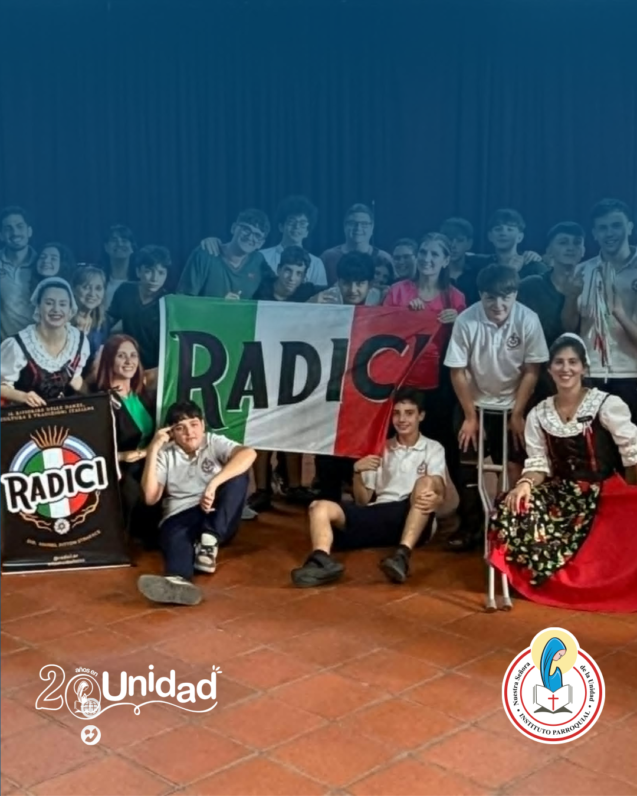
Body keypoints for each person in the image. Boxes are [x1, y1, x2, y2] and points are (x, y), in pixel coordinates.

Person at [489, 334, 637, 612]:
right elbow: (538, 465)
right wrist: (524, 483)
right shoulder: (539, 413)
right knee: (511, 505)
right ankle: (535, 579)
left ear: (583, 367)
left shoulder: (606, 404)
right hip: (561, 493)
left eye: (572, 362)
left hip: (603, 489)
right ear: (549, 369)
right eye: (559, 362)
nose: (565, 368)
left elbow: (632, 451)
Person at [291, 388, 447, 587]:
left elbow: (439, 486)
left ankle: (402, 555)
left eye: (409, 413)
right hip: (380, 512)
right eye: (396, 413)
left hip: (412, 514)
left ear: (421, 416)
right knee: (318, 507)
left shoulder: (433, 448)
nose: (402, 419)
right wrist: (357, 472)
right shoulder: (380, 448)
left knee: (425, 482)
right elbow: (363, 500)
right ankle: (321, 561)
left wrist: (437, 496)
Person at [444, 265, 549, 551]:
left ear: (515, 294)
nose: (498, 304)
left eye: (506, 297)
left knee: (515, 463)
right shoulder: (467, 320)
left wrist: (518, 413)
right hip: (475, 399)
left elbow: (532, 370)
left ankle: (511, 524)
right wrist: (469, 416)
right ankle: (471, 526)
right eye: (490, 297)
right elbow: (457, 371)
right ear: (481, 295)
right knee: (467, 464)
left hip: (514, 400)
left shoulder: (528, 319)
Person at [137, 400, 256, 605]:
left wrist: (213, 484)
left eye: (194, 424)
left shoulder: (213, 442)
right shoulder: (166, 453)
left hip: (216, 514)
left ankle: (209, 541)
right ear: (171, 433)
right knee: (176, 537)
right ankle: (178, 581)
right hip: (180, 515)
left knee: (239, 474)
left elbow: (249, 453)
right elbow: (150, 497)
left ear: (202, 425)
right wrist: (153, 449)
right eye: (180, 428)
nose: (189, 432)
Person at [564, 198, 637, 422]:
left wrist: (619, 312)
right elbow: (569, 328)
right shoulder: (582, 271)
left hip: (632, 374)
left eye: (616, 225)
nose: (610, 233)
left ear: (630, 227)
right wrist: (571, 297)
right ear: (595, 234)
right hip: (591, 372)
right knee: (592, 443)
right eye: (603, 228)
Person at [95, 334, 159, 544]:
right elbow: (94, 450)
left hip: (151, 459)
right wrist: (123, 456)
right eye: (121, 355)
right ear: (109, 360)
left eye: (133, 355)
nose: (129, 361)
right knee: (132, 490)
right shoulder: (101, 400)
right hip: (122, 467)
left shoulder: (143, 393)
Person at [518, 223, 586, 404]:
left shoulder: (593, 284)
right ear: (549, 250)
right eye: (563, 242)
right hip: (536, 373)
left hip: (579, 372)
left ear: (583, 250)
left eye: (577, 242)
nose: (570, 247)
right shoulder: (530, 286)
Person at [0, 277, 90, 406]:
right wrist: (23, 396)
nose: (56, 309)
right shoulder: (18, 345)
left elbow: (75, 378)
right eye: (49, 303)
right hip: (25, 414)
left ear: (70, 309)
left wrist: (97, 398)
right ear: (38, 306)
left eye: (63, 304)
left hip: (62, 413)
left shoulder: (79, 341)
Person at [177, 208, 270, 300]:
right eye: (246, 229)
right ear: (233, 228)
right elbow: (183, 300)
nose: (250, 237)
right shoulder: (205, 254)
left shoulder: (258, 261)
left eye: (257, 235)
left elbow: (276, 289)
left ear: (261, 243)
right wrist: (221, 305)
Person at [109, 245, 171, 371]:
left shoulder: (168, 302)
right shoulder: (125, 290)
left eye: (161, 273)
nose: (155, 278)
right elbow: (110, 321)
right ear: (138, 271)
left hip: (155, 367)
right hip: (126, 362)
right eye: (149, 271)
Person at [320, 203, 392, 286]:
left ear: (372, 227)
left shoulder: (384, 258)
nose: (358, 228)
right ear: (344, 226)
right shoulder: (328, 258)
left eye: (364, 224)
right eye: (352, 223)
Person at [0, 206, 37, 341]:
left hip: (37, 344)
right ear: (1, 235)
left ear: (29, 231)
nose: (15, 232)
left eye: (20, 226)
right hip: (5, 345)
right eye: (8, 228)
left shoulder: (43, 264)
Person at [485, 209, 547, 278]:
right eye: (498, 229)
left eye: (510, 229)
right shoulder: (481, 265)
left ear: (520, 237)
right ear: (490, 236)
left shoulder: (534, 267)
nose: (503, 233)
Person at [310, 250, 381, 306]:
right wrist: (311, 304)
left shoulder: (381, 299)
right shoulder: (326, 299)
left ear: (370, 284)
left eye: (359, 284)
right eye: (346, 283)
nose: (352, 290)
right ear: (338, 282)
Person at [253, 245, 319, 302]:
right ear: (279, 269)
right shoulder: (260, 289)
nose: (292, 278)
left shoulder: (307, 291)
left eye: (298, 273)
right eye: (288, 271)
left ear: (303, 277)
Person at [72, 265, 110, 364]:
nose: (92, 293)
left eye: (98, 288)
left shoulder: (103, 322)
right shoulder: (62, 319)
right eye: (86, 287)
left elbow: (98, 361)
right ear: (74, 289)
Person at [101, 224, 137, 309]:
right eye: (114, 240)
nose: (119, 244)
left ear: (132, 247)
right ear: (106, 247)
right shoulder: (98, 279)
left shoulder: (140, 280)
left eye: (124, 240)